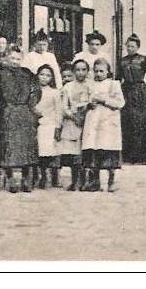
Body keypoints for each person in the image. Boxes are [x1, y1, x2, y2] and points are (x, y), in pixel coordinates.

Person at [0, 45, 42, 193]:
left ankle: (25, 180)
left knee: (26, 148)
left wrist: (31, 103)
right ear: (6, 58)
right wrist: (1, 107)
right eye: (12, 58)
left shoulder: (28, 74)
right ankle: (12, 180)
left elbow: (36, 91)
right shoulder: (0, 74)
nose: (15, 61)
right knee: (8, 148)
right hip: (8, 114)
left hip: (24, 113)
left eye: (18, 59)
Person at [81, 57, 126, 192]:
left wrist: (103, 100)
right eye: (96, 71)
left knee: (109, 150)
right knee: (94, 150)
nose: (98, 74)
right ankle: (95, 181)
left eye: (101, 71)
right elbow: (82, 102)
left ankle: (111, 181)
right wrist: (88, 104)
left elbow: (120, 103)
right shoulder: (89, 85)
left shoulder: (114, 84)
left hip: (108, 123)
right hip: (93, 122)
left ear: (107, 72)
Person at [119, 34, 146, 164]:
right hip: (126, 91)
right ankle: (129, 156)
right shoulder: (122, 61)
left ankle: (145, 157)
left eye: (133, 46)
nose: (130, 48)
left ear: (138, 47)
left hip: (140, 93)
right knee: (128, 122)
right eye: (128, 46)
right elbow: (117, 77)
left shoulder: (144, 59)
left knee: (143, 122)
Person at [60, 59, 91, 191]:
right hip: (72, 122)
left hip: (87, 121)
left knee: (86, 152)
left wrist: (86, 114)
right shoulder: (68, 87)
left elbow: (93, 102)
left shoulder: (91, 86)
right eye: (77, 70)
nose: (80, 72)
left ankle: (86, 181)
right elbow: (64, 107)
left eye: (83, 69)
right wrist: (73, 116)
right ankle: (74, 181)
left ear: (88, 71)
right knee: (74, 153)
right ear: (73, 72)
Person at [34, 64, 63, 189]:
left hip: (49, 125)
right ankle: (39, 175)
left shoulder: (54, 93)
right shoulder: (33, 90)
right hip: (35, 123)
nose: (44, 78)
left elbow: (58, 111)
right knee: (37, 152)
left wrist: (57, 127)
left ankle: (48, 175)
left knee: (47, 151)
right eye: (42, 74)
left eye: (48, 75)